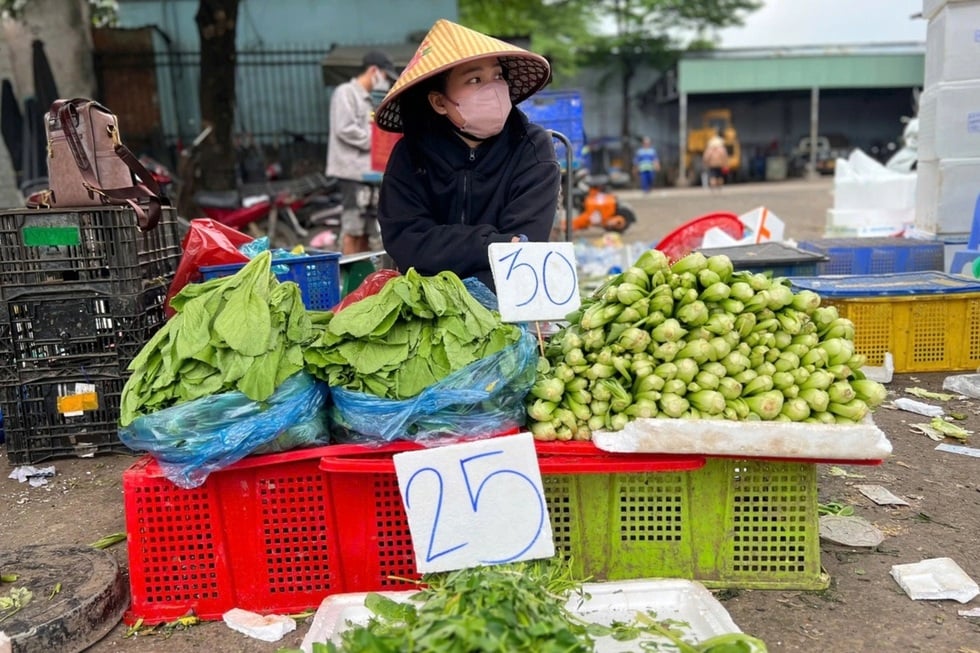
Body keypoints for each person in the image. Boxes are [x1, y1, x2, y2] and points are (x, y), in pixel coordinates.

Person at [373, 19, 561, 292]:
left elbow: (523, 249)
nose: (493, 89)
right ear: (439, 102)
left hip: (505, 299)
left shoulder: (533, 149)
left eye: (498, 76)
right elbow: (406, 240)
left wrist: (452, 252)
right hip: (425, 300)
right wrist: (490, 244)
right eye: (475, 80)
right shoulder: (410, 154)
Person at [326, 50, 398, 254]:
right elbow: (344, 129)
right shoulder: (346, 93)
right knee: (353, 228)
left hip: (370, 175)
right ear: (374, 71)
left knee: (367, 231)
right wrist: (377, 142)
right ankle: (349, 279)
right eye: (385, 76)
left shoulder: (371, 99)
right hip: (351, 173)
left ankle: (361, 279)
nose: (385, 82)